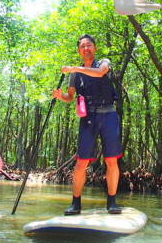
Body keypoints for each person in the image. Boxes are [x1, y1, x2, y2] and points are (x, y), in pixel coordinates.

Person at [52, 34, 123, 215]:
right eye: (82, 46)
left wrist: (75, 68)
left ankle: (112, 202)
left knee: (111, 160)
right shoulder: (75, 75)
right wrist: (60, 96)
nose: (86, 49)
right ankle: (76, 203)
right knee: (81, 162)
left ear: (95, 48)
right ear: (79, 51)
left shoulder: (103, 63)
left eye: (89, 45)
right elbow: (70, 97)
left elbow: (100, 73)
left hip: (108, 114)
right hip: (88, 117)